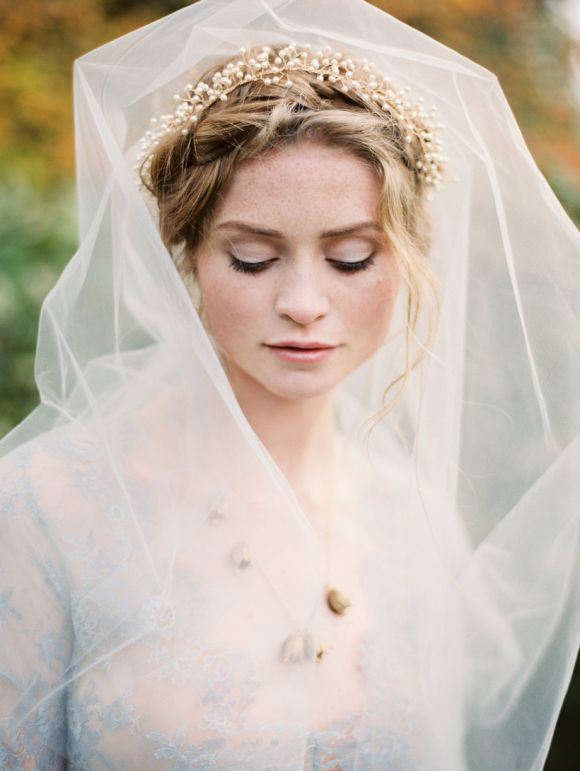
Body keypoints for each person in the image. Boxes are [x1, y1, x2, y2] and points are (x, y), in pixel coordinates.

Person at [0, 0, 578, 768]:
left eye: (349, 258)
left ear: (406, 257)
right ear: (189, 257)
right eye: (251, 257)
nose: (304, 303)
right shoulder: (44, 510)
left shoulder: (410, 513)